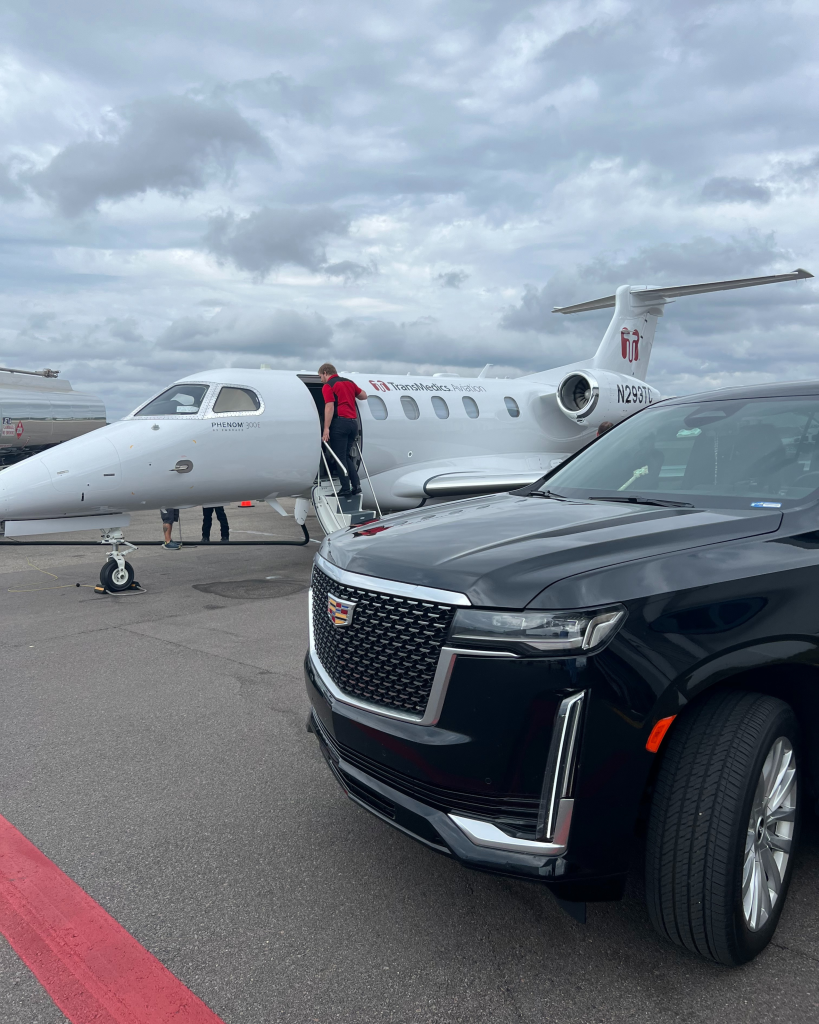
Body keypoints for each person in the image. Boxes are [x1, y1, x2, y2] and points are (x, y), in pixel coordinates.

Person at [318, 363, 368, 496]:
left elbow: (329, 406)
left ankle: (345, 488)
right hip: (353, 424)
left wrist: (326, 428)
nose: (321, 380)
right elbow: (364, 395)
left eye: (320, 376)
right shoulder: (349, 382)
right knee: (346, 456)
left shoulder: (328, 386)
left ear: (325, 372)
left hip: (340, 424)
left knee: (339, 458)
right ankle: (356, 486)